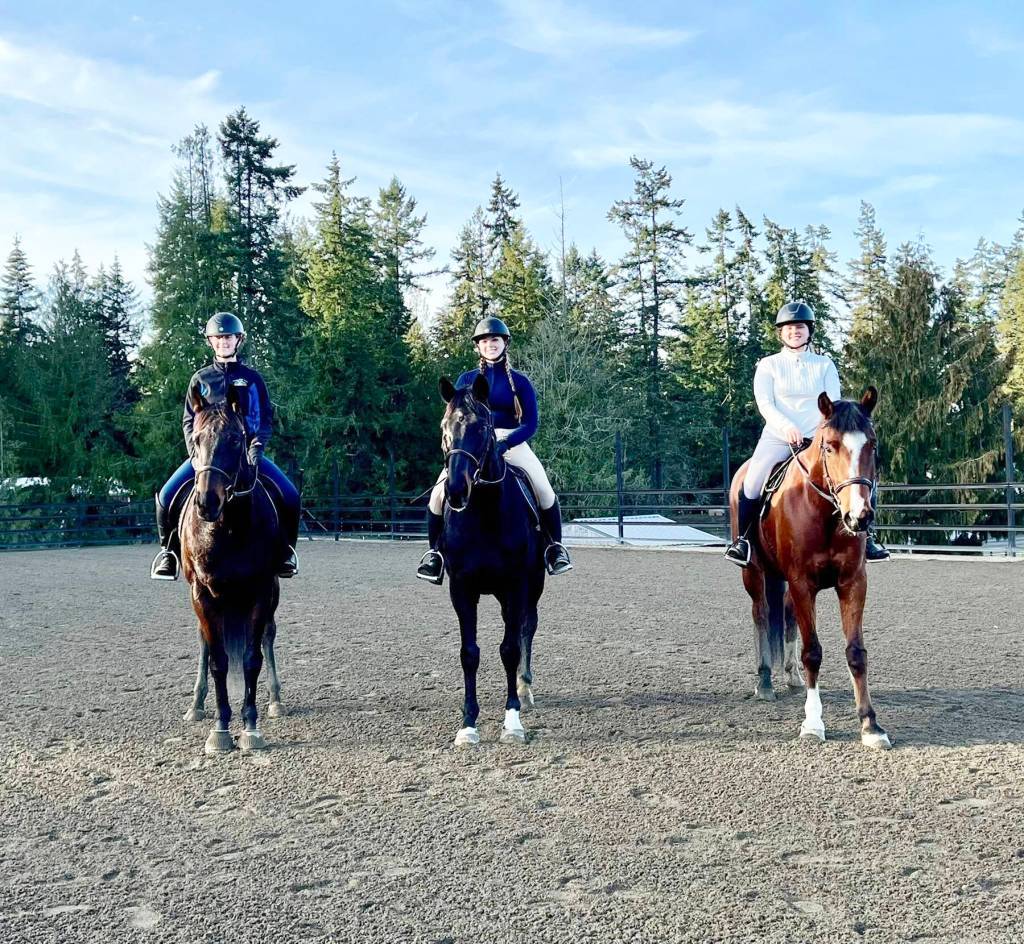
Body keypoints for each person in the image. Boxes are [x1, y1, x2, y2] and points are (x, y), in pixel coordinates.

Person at [725, 301, 890, 567]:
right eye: (789, 328)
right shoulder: (769, 365)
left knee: (859, 476)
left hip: (820, 439)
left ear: (809, 331)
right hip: (779, 436)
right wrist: (786, 427)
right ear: (781, 332)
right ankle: (742, 541)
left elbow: (832, 405)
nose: (795, 332)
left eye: (800, 327)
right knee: (752, 481)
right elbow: (765, 403)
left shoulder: (824, 364)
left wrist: (819, 433)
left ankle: (867, 536)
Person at [416, 316, 573, 584]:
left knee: (544, 489)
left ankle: (554, 548)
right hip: (473, 444)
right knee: (438, 494)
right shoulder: (466, 378)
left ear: (504, 343)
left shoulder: (520, 382)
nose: (490, 344)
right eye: (485, 341)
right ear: (478, 346)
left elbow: (531, 423)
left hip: (510, 441)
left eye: (495, 340)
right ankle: (435, 555)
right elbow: (457, 418)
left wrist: (504, 443)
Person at [149, 312, 301, 580]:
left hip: (245, 455)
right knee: (165, 498)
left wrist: (257, 448)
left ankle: (285, 552)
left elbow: (265, 418)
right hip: (208, 457)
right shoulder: (200, 379)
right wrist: (195, 455)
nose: (223, 342)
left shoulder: (252, 379)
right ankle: (168, 553)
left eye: (228, 337)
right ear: (211, 341)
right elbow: (188, 420)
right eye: (218, 338)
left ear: (237, 340)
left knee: (290, 496)